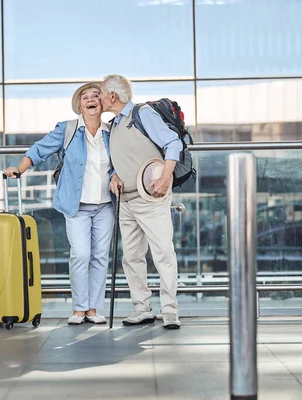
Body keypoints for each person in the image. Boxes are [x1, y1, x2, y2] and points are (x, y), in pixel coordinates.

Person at [4, 82, 114, 325]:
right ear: (79, 105)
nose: (91, 99)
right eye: (86, 97)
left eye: (96, 95)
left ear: (103, 103)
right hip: (77, 205)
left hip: (106, 205)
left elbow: (122, 162)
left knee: (100, 257)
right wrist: (19, 169)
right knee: (80, 254)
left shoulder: (111, 131)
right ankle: (79, 308)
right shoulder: (68, 129)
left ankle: (94, 309)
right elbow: (39, 149)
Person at [100, 74, 182, 329]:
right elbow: (119, 160)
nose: (99, 97)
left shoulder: (142, 114)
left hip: (152, 197)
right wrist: (114, 176)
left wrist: (166, 176)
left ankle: (169, 311)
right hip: (125, 201)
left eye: (101, 93)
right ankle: (142, 308)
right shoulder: (113, 125)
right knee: (132, 257)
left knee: (163, 254)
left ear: (112, 95)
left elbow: (173, 143)